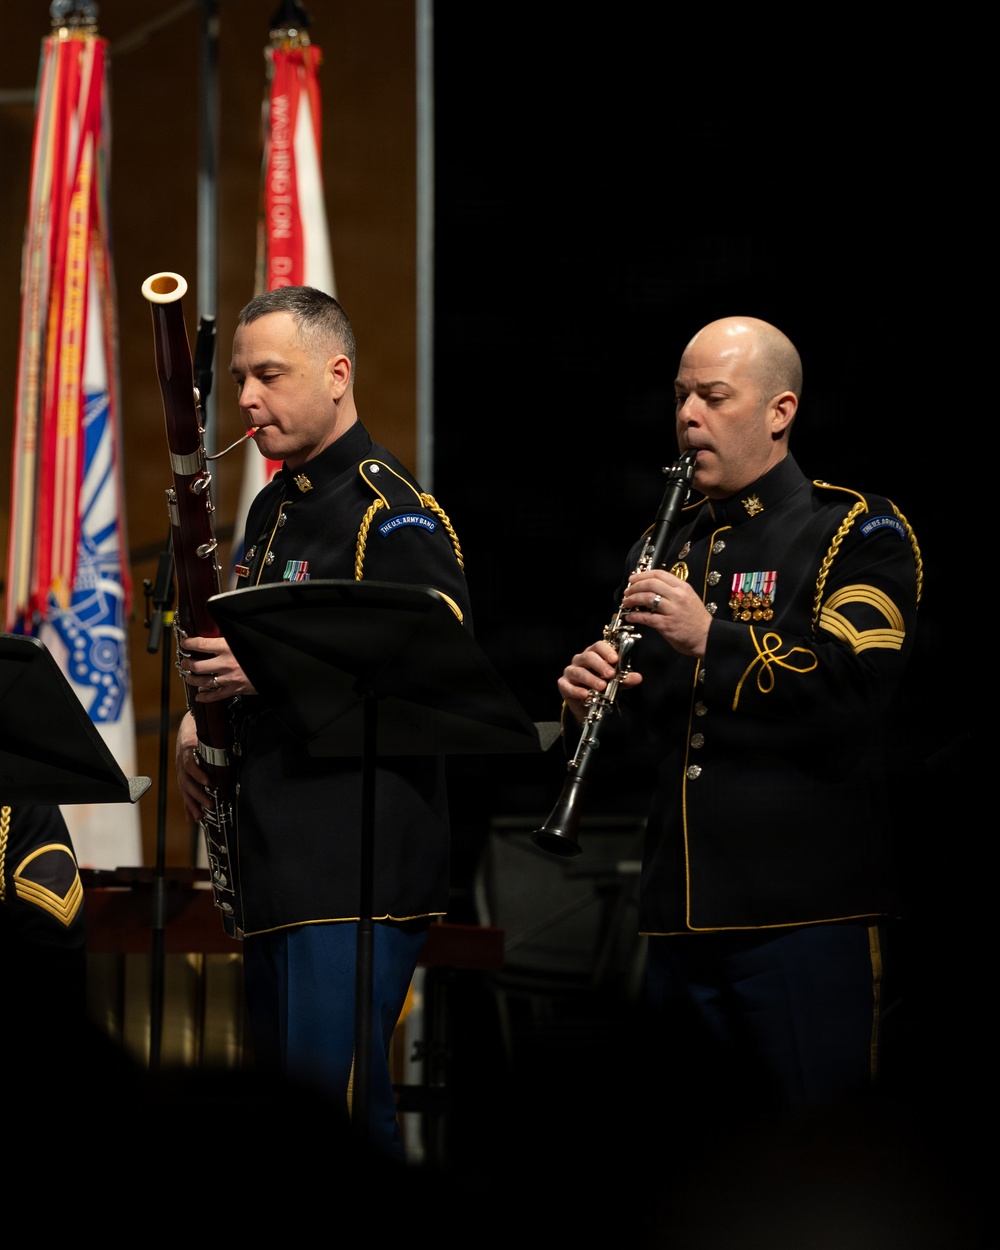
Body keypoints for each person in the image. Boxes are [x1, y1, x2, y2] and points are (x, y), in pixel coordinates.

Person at [557, 316, 921, 1122]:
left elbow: (856, 689)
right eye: (681, 396)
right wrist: (590, 707)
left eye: (714, 397)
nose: (689, 415)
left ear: (779, 410)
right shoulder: (662, 545)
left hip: (804, 918)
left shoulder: (856, 528)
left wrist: (709, 637)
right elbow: (658, 735)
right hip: (677, 920)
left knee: (819, 1156)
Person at [175, 286, 471, 1159]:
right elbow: (249, 651)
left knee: (336, 1127)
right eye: (239, 378)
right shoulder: (272, 509)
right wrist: (200, 718)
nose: (245, 398)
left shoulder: (391, 511)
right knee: (286, 1133)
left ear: (337, 375)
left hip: (353, 870)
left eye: (269, 375)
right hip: (278, 864)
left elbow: (439, 673)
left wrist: (265, 672)